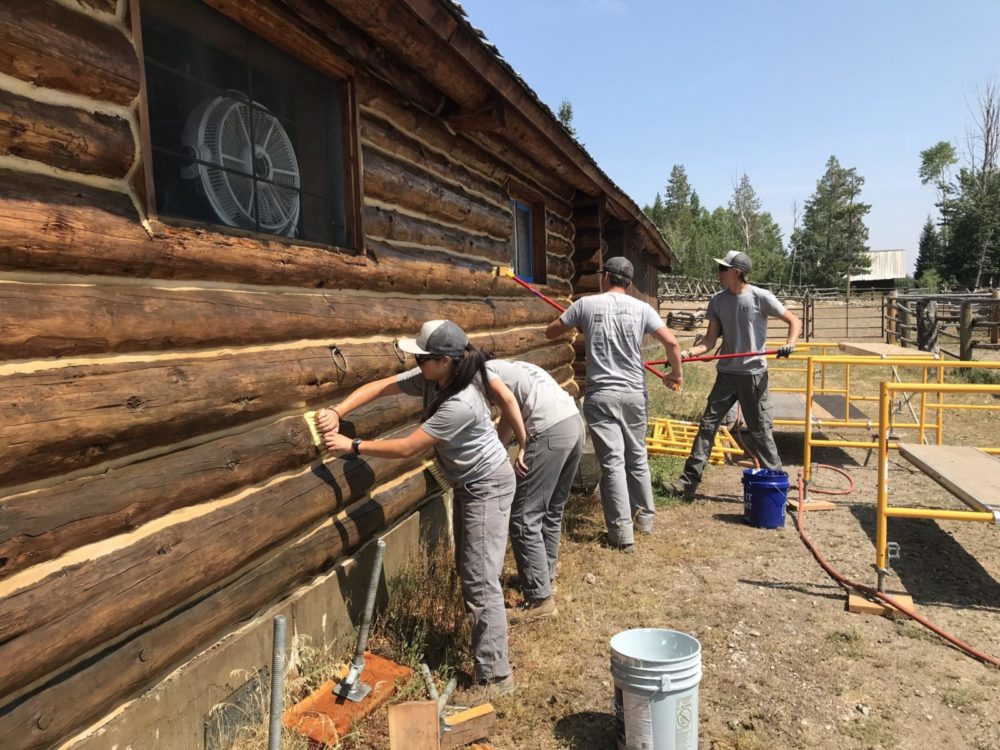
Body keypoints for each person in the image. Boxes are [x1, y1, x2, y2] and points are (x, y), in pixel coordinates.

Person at [315, 320, 527, 696]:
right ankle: (487, 653)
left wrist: (354, 446)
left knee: (480, 580)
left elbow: (409, 447)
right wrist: (337, 409)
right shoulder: (437, 376)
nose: (415, 361)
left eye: (422, 357)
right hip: (470, 483)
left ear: (445, 360)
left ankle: (496, 677)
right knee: (472, 570)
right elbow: (383, 386)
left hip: (486, 486)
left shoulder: (461, 401)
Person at [545, 256, 683, 552]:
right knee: (637, 457)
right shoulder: (643, 309)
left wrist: (576, 323)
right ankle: (645, 521)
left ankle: (621, 535)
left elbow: (551, 331)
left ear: (605, 277)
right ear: (629, 282)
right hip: (634, 394)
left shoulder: (586, 305)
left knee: (613, 463)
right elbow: (672, 343)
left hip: (602, 395)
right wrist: (675, 374)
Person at [662, 250, 801, 500]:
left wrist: (789, 343)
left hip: (753, 374)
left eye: (722, 269)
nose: (718, 272)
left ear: (736, 272)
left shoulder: (760, 297)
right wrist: (690, 352)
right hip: (726, 374)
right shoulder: (717, 300)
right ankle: (688, 483)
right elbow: (709, 341)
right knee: (707, 427)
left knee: (759, 431)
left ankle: (778, 487)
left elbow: (794, 321)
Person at [483, 357, 585, 622]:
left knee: (523, 516)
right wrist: (499, 448)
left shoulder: (485, 374)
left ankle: (539, 599)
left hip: (550, 430)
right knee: (551, 509)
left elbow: (507, 403)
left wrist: (524, 445)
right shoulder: (517, 368)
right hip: (573, 423)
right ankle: (544, 576)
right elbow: (508, 414)